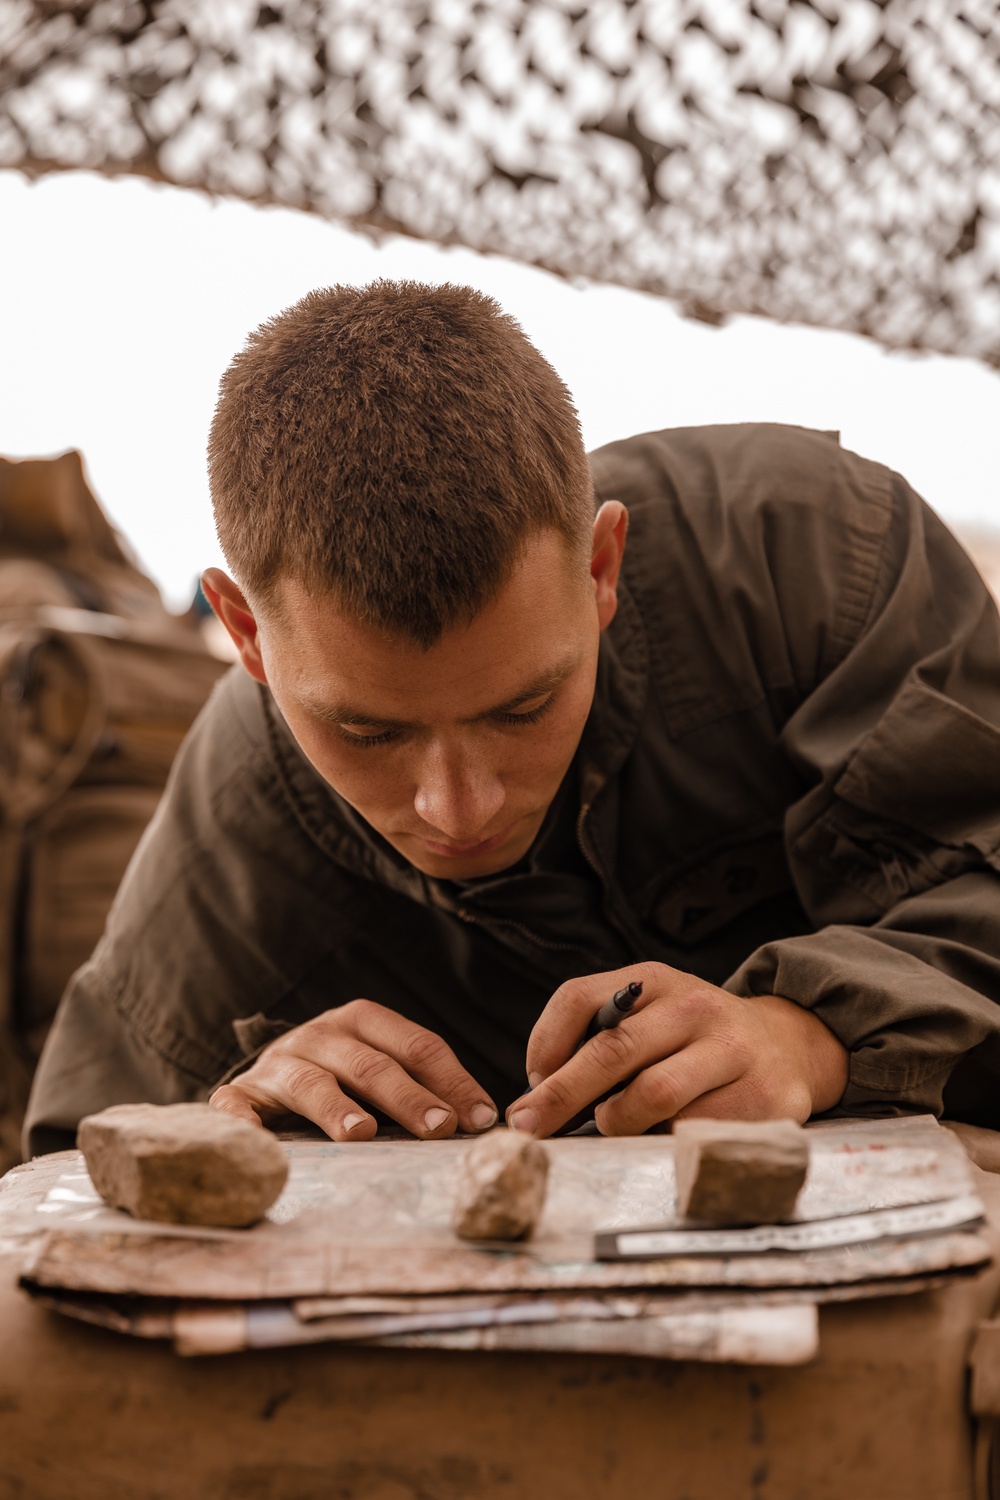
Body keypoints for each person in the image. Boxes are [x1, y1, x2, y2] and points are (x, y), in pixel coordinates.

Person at [23, 281, 1000, 1157]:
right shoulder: (245, 805)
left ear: (601, 569)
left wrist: (814, 1034)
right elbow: (73, 1158)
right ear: (246, 634)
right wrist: (227, 1115)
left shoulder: (817, 560)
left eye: (523, 705)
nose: (457, 808)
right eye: (369, 733)